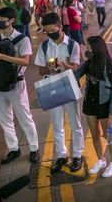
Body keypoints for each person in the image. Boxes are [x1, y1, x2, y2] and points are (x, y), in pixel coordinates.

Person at [0, 7, 40, 165]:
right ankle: (13, 148)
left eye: (2, 19)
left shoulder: (22, 39)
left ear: (11, 20)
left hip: (16, 84)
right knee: (5, 119)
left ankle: (34, 149)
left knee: (25, 117)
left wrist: (1, 56)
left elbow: (25, 61)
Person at [34, 12, 84, 173]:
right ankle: (61, 155)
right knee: (57, 124)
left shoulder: (73, 45)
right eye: (46, 31)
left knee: (74, 123)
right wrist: (49, 68)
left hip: (68, 84)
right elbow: (41, 70)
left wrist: (65, 65)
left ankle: (77, 155)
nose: (50, 34)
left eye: (52, 30)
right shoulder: (44, 46)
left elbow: (76, 66)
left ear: (60, 27)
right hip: (52, 85)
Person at [75, 36, 112, 178]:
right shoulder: (88, 63)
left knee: (108, 135)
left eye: (89, 47)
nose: (87, 50)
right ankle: (101, 159)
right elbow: (76, 74)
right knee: (94, 134)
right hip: (90, 103)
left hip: (105, 105)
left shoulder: (110, 66)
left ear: (96, 48)